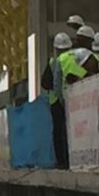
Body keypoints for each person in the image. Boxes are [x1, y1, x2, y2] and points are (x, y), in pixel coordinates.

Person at [41, 32, 72, 168]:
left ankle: (62, 161)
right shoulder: (74, 58)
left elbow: (46, 83)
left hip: (57, 102)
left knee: (59, 132)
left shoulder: (53, 62)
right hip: (75, 100)